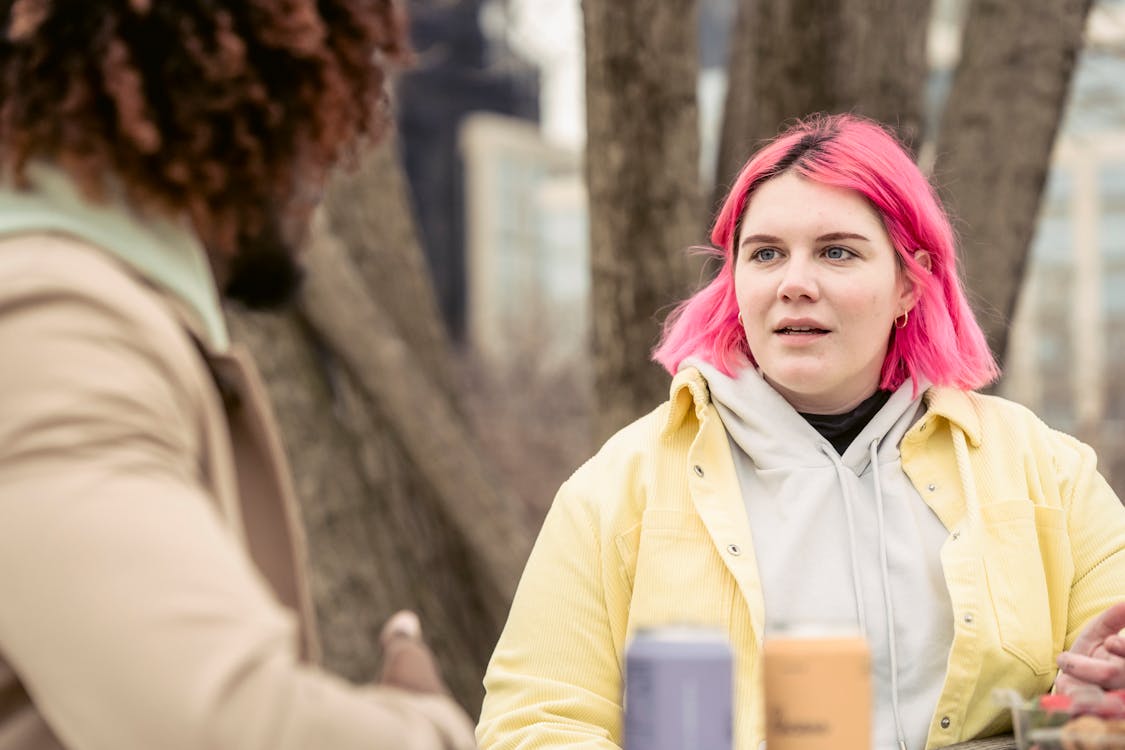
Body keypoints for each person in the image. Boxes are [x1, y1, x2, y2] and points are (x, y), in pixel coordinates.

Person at [476, 113, 1125, 749]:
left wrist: (1087, 713)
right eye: (764, 255)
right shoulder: (618, 487)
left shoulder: (1046, 470)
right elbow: (532, 723)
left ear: (909, 280)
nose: (793, 284)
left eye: (836, 252)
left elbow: (1097, 713)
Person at [0, 2, 476, 749]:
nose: (331, 155)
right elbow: (210, 727)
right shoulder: (53, 326)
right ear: (209, 94)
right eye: (306, 100)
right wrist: (426, 729)